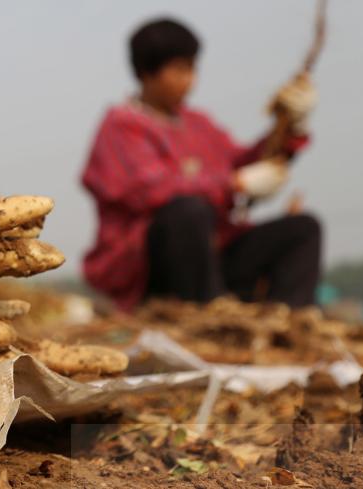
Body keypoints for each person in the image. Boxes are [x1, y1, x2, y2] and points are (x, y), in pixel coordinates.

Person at [81, 18, 321, 311]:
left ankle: (287, 323)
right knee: (187, 211)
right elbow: (148, 190)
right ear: (147, 72)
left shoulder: (198, 125)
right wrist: (235, 184)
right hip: (151, 268)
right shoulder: (120, 125)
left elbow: (243, 161)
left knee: (304, 229)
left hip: (215, 256)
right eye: (179, 69)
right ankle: (208, 315)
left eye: (192, 69)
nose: (190, 80)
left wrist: (289, 127)